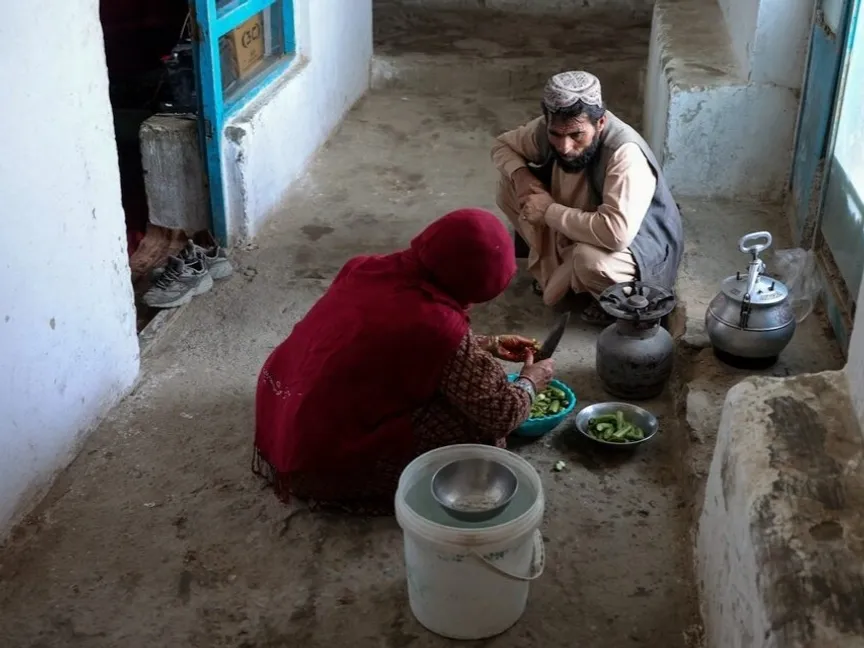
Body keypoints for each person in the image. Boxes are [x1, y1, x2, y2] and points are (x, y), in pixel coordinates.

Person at [253, 208, 556, 515]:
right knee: (479, 431)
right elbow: (501, 412)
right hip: (317, 458)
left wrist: (486, 343)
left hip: (282, 408)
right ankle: (356, 490)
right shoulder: (437, 325)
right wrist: (530, 380)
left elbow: (383, 338)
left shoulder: (365, 268)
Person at [492, 70, 684, 325]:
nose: (564, 147)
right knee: (509, 184)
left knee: (587, 259)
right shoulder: (548, 129)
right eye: (556, 135)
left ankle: (607, 297)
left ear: (600, 123)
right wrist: (522, 177)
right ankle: (561, 271)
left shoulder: (625, 154)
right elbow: (502, 146)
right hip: (577, 224)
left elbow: (615, 234)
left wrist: (548, 211)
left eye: (576, 135)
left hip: (635, 247)